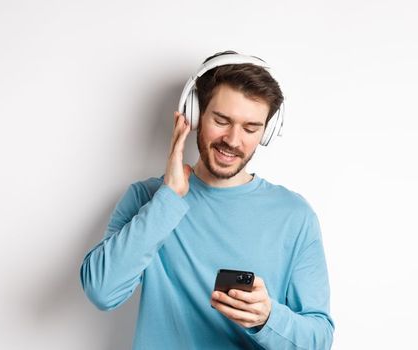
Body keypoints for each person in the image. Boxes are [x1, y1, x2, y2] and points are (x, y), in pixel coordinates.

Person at [80, 50, 334, 349]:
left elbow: (319, 339)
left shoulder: (294, 215)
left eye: (251, 128)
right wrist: (169, 198)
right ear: (195, 114)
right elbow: (102, 291)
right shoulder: (147, 198)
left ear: (267, 132)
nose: (233, 140)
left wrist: (266, 318)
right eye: (222, 120)